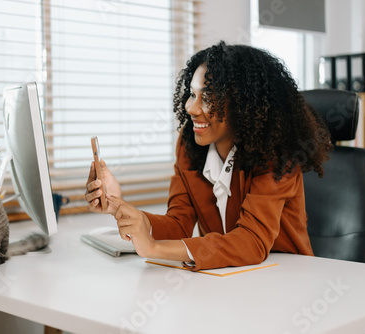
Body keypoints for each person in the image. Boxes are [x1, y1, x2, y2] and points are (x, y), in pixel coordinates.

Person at [85, 41, 332, 270]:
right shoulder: (189, 145)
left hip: (286, 279)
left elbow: (252, 242)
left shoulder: (276, 152)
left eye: (209, 98)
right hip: (226, 280)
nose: (190, 108)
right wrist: (121, 208)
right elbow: (178, 224)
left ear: (242, 105)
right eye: (192, 94)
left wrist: (153, 248)